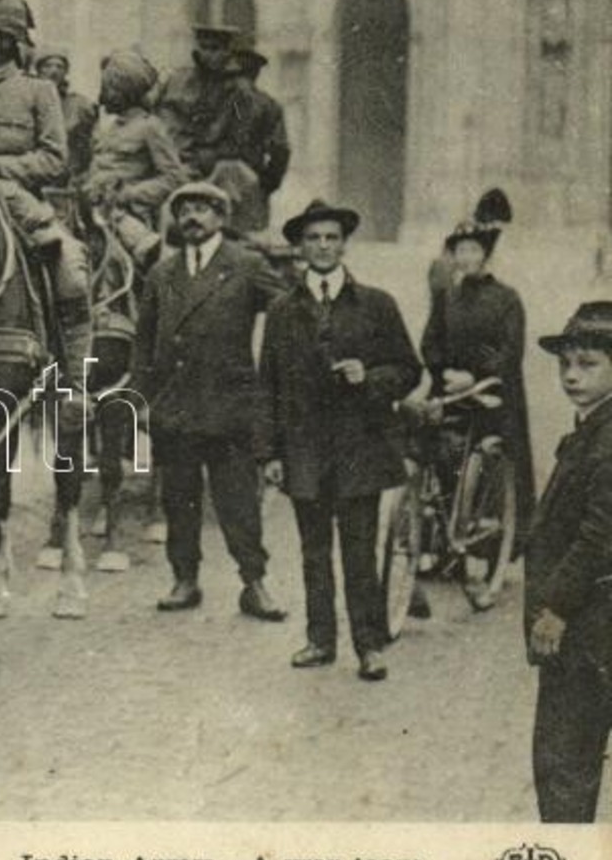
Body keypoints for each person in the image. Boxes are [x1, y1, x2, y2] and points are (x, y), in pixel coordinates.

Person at [261, 200, 420, 682]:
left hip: (358, 449)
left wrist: (368, 377)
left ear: (344, 243)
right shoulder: (282, 310)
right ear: (300, 247)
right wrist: (269, 453)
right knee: (313, 553)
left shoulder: (376, 304)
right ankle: (320, 640)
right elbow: (265, 384)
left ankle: (369, 646)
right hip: (305, 450)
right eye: (313, 239)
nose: (323, 246)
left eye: (331, 237)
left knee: (359, 553)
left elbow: (409, 370)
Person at [132, 181, 288, 620]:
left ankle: (254, 583)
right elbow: (143, 343)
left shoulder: (245, 265)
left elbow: (286, 309)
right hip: (176, 406)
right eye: (185, 211)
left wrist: (274, 373)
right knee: (179, 499)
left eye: (203, 209)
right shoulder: (162, 273)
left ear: (221, 218)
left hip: (230, 406)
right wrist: (140, 401)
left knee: (237, 500)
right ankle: (185, 579)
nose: (192, 218)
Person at [0, 0, 93, 372]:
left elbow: (55, 159)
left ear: (7, 41)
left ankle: (75, 381)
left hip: (19, 205)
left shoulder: (38, 92)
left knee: (72, 275)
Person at [527, 301, 612, 821]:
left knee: (564, 766)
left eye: (588, 364)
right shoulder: (592, 428)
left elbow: (601, 533)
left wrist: (556, 606)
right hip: (590, 622)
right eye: (565, 364)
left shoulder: (606, 439)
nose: (572, 375)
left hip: (587, 626)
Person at [419, 218, 536, 557]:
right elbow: (431, 343)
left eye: (474, 250)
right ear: (453, 256)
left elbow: (511, 352)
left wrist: (475, 375)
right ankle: (438, 540)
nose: (467, 257)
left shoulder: (506, 299)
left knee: (490, 466)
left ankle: (491, 548)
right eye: (460, 251)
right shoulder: (447, 297)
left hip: (493, 392)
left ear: (485, 254)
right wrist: (444, 373)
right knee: (434, 449)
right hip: (452, 390)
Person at [85, 49, 189, 240]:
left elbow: (174, 178)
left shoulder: (150, 127)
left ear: (125, 91)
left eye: (109, 88)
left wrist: (129, 194)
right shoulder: (107, 127)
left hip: (129, 216)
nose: (103, 94)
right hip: (92, 208)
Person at [152, 23, 256, 182]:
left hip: (208, 169)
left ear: (227, 52)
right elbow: (155, 117)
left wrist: (205, 157)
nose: (207, 54)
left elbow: (238, 141)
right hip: (165, 161)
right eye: (203, 47)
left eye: (215, 49)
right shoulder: (176, 80)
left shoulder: (238, 92)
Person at [217, 32, 290, 237]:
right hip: (249, 180)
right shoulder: (269, 105)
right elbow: (280, 151)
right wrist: (265, 185)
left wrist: (264, 185)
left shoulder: (216, 102)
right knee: (248, 241)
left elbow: (280, 151)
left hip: (225, 178)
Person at [33, 49, 98, 188]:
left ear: (66, 72)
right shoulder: (27, 102)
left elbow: (92, 147)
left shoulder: (80, 106)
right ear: (38, 70)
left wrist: (83, 177)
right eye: (47, 66)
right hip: (35, 177)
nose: (54, 71)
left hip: (69, 181)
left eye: (59, 66)